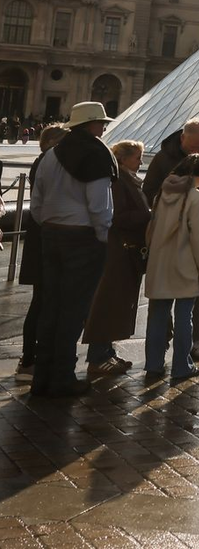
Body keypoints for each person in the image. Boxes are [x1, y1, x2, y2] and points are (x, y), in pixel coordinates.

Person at [28, 102, 115, 397]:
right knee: (74, 310)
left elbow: (36, 203)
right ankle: (64, 376)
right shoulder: (97, 153)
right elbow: (99, 207)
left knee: (50, 307)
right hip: (83, 238)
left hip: (51, 235)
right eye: (101, 123)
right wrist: (102, 238)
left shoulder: (50, 155)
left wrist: (50, 226)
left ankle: (42, 376)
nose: (104, 128)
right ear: (89, 125)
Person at [143, 117, 199, 364]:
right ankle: (166, 347)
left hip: (195, 230)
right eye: (193, 146)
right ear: (182, 138)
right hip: (169, 237)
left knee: (195, 298)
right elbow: (148, 192)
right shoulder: (163, 158)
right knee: (173, 300)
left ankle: (195, 342)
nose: (198, 151)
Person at [82, 139, 152, 378]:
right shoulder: (119, 181)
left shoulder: (126, 178)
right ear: (123, 159)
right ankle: (97, 357)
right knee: (108, 303)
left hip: (125, 249)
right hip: (118, 250)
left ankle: (107, 352)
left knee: (117, 303)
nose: (141, 162)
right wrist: (146, 216)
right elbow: (118, 216)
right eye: (137, 157)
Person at [143, 153, 199, 383]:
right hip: (185, 266)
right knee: (185, 317)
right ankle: (182, 366)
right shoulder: (196, 198)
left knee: (157, 316)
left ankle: (153, 364)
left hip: (160, 263)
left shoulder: (162, 194)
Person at [15, 124, 67, 379]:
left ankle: (31, 359)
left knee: (42, 301)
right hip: (45, 240)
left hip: (41, 240)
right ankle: (29, 360)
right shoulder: (49, 162)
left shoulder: (43, 161)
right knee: (43, 302)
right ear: (55, 143)